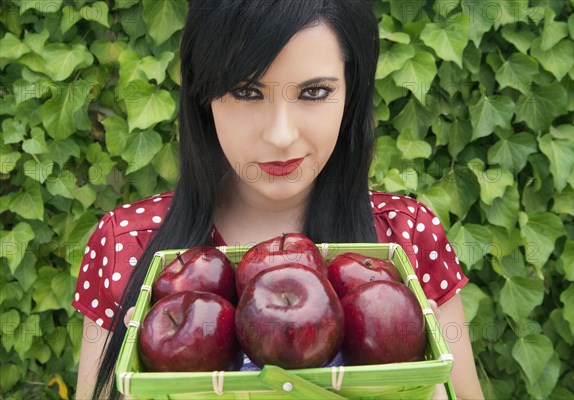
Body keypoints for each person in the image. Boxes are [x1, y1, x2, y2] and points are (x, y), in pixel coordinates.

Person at [73, 1, 484, 399]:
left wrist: (420, 389)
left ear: (351, 92)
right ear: (204, 95)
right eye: (247, 92)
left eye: (315, 92)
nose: (281, 135)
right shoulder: (126, 245)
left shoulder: (406, 238)